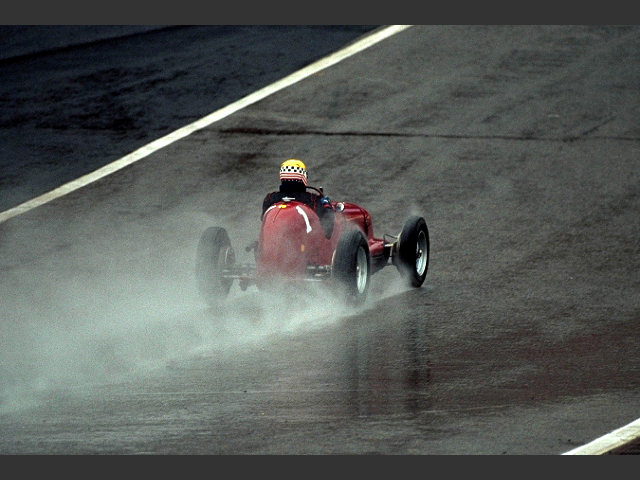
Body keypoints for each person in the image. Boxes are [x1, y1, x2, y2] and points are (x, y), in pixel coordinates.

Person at [261, 159, 334, 237]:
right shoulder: (312, 199)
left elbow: (263, 219)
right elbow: (328, 226)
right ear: (303, 176)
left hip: (272, 241)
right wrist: (327, 205)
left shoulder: (270, 198)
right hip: (305, 243)